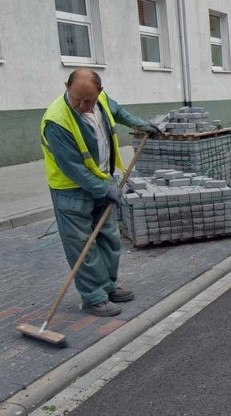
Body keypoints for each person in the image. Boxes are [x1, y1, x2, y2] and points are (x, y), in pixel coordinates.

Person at [41, 68, 160, 317]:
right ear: (66, 87)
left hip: (101, 179)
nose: (82, 105)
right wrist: (105, 189)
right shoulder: (57, 121)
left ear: (100, 93)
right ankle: (93, 297)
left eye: (89, 100)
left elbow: (118, 112)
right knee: (83, 245)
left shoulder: (102, 101)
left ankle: (107, 286)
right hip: (71, 191)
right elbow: (72, 168)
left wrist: (141, 125)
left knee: (108, 238)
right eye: (76, 99)